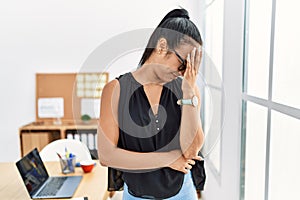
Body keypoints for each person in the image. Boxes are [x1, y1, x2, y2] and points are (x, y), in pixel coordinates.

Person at [98, 8, 205, 199]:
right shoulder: (115, 90)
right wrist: (168, 158)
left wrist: (189, 94)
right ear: (162, 46)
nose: (183, 72)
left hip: (183, 192)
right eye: (182, 64)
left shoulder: (187, 89)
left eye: (189, 67)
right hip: (137, 196)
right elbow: (107, 156)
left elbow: (191, 151)